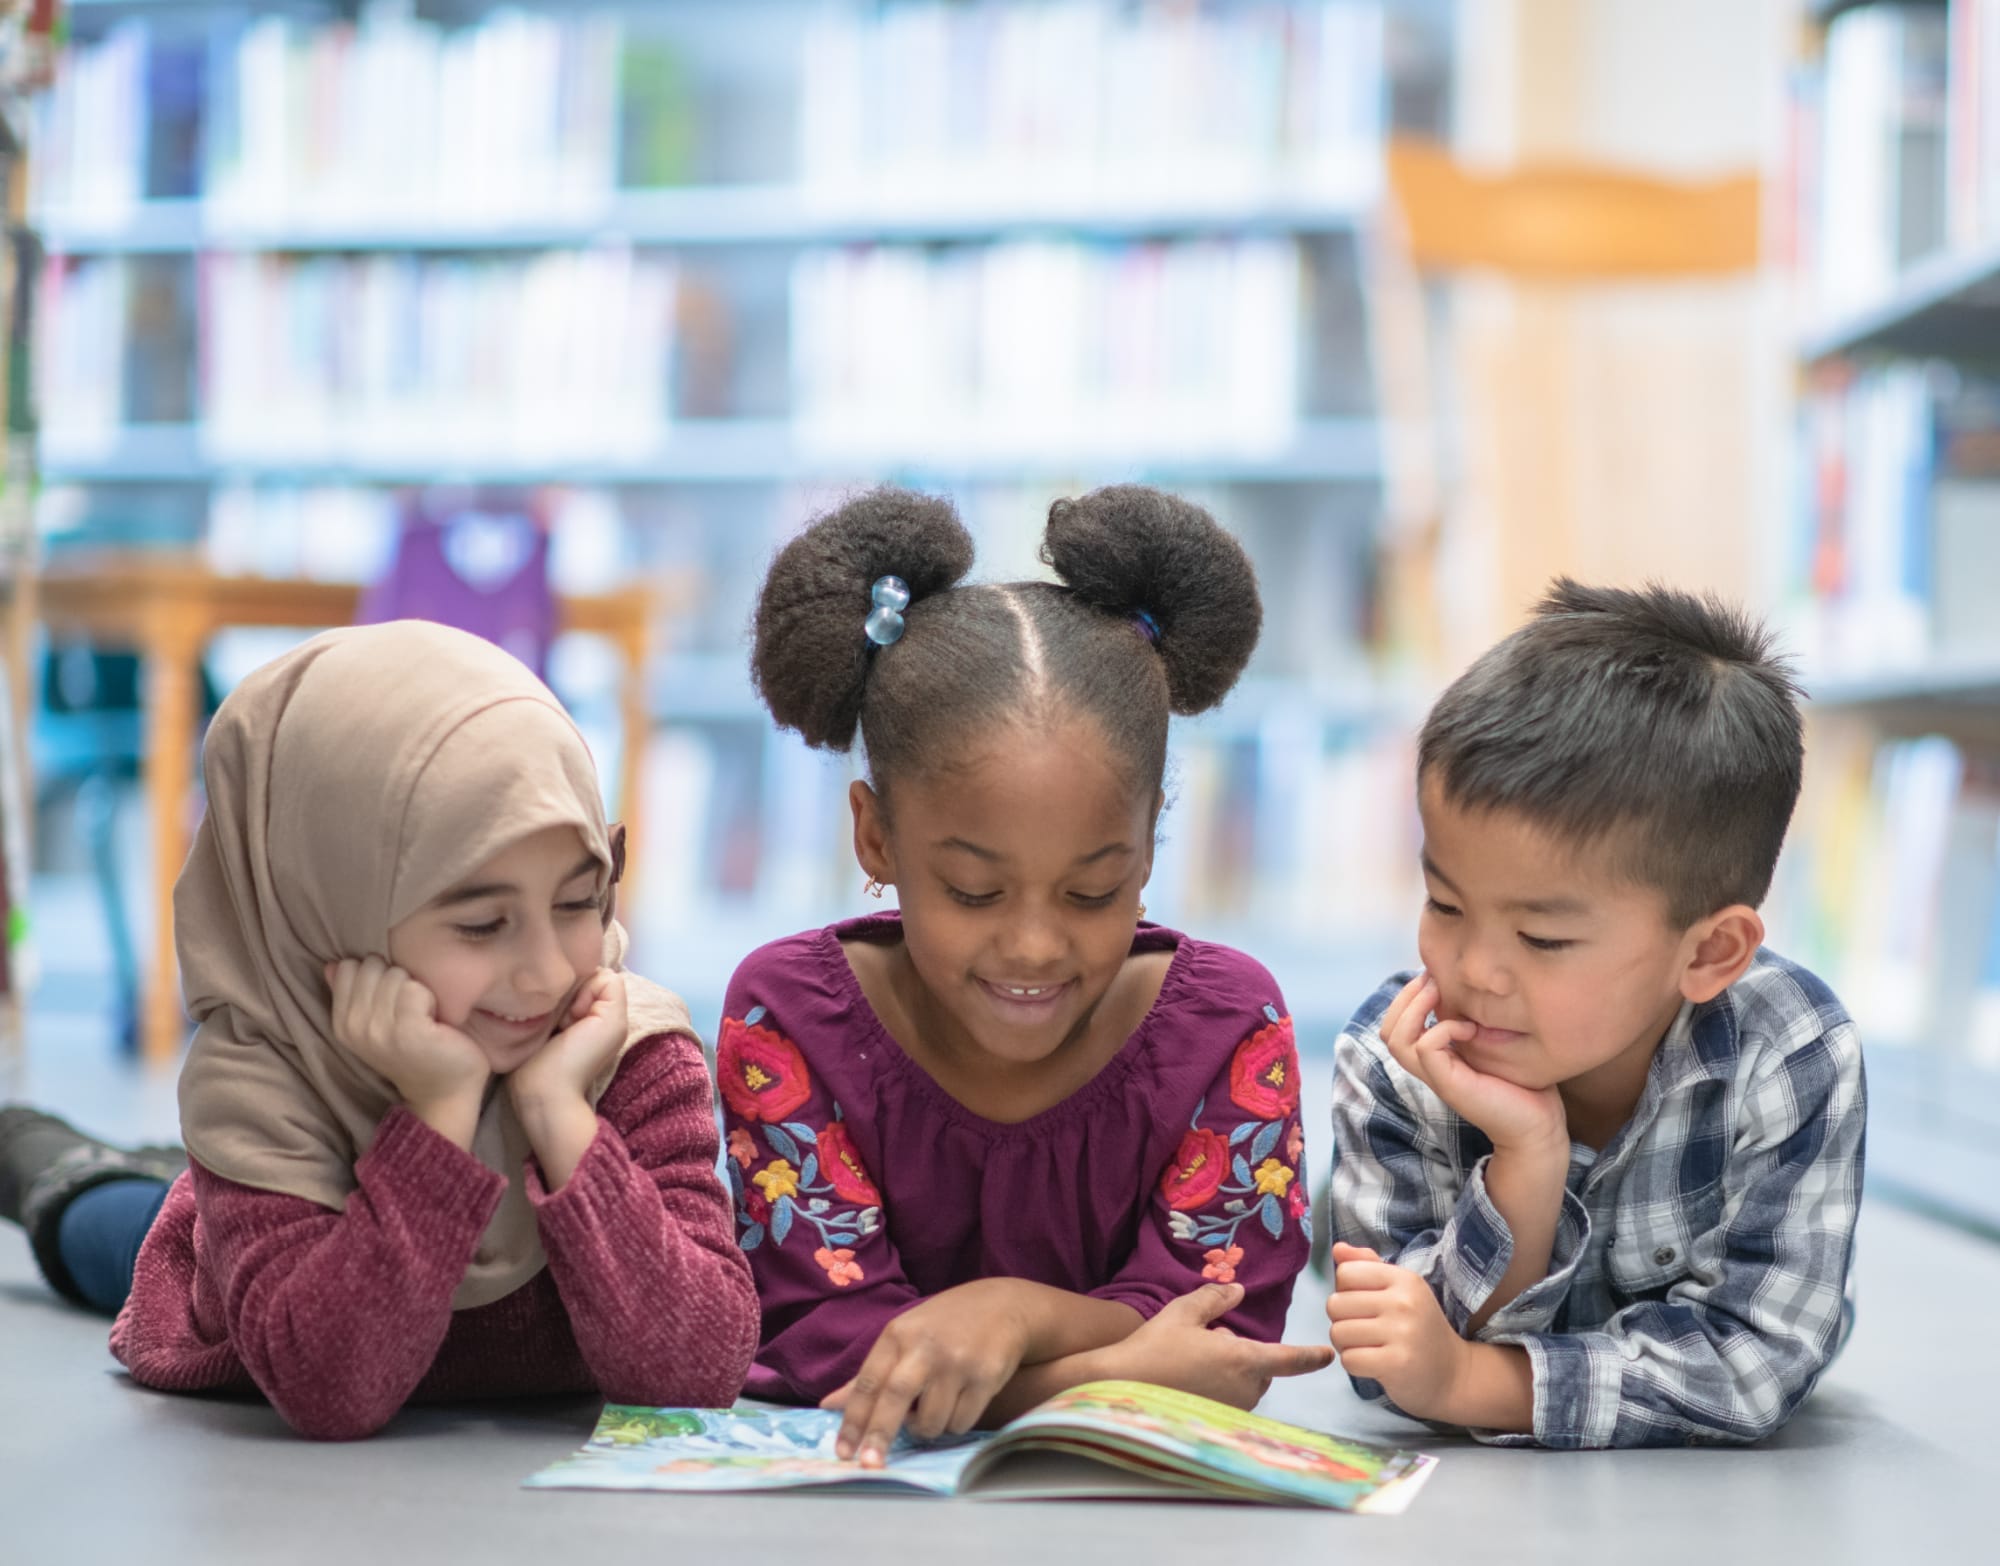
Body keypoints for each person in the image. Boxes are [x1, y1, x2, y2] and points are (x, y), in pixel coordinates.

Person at [0, 621, 759, 1439]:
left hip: (361, 1207)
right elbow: (332, 1390)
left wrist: (561, 1118)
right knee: (115, 1226)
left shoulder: (625, 1046)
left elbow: (700, 1371)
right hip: (234, 1296)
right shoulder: (264, 1080)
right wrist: (440, 1115)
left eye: (578, 903)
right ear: (336, 904)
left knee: (166, 1192)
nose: (545, 973)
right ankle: (42, 1156)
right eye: (481, 923)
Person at [723, 485, 1331, 1466]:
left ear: (1147, 843)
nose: (1036, 947)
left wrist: (1003, 1316)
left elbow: (1217, 1333)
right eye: (970, 892)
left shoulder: (1229, 1026)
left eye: (1093, 893)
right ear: (874, 836)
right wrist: (1101, 1373)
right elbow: (832, 1354)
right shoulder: (787, 1017)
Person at [1326, 580, 1865, 1448]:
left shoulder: (1789, 1049)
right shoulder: (1398, 1052)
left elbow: (1753, 1363)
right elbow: (1385, 1351)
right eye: (1445, 904)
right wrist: (1526, 1163)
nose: (1473, 970)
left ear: (1709, 953)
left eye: (1541, 939)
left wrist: (1474, 1383)